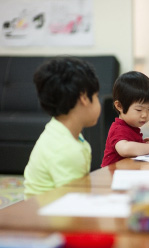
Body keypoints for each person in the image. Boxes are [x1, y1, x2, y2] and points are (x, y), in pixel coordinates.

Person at [24, 57, 101, 199]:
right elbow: (74, 205)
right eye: (96, 96)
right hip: (45, 217)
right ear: (84, 97)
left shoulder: (58, 129)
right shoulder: (66, 150)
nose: (98, 102)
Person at [101, 71, 149, 167]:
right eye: (139, 109)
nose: (145, 115)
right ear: (119, 106)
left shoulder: (131, 127)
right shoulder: (118, 129)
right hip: (112, 177)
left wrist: (142, 144)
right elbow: (125, 149)